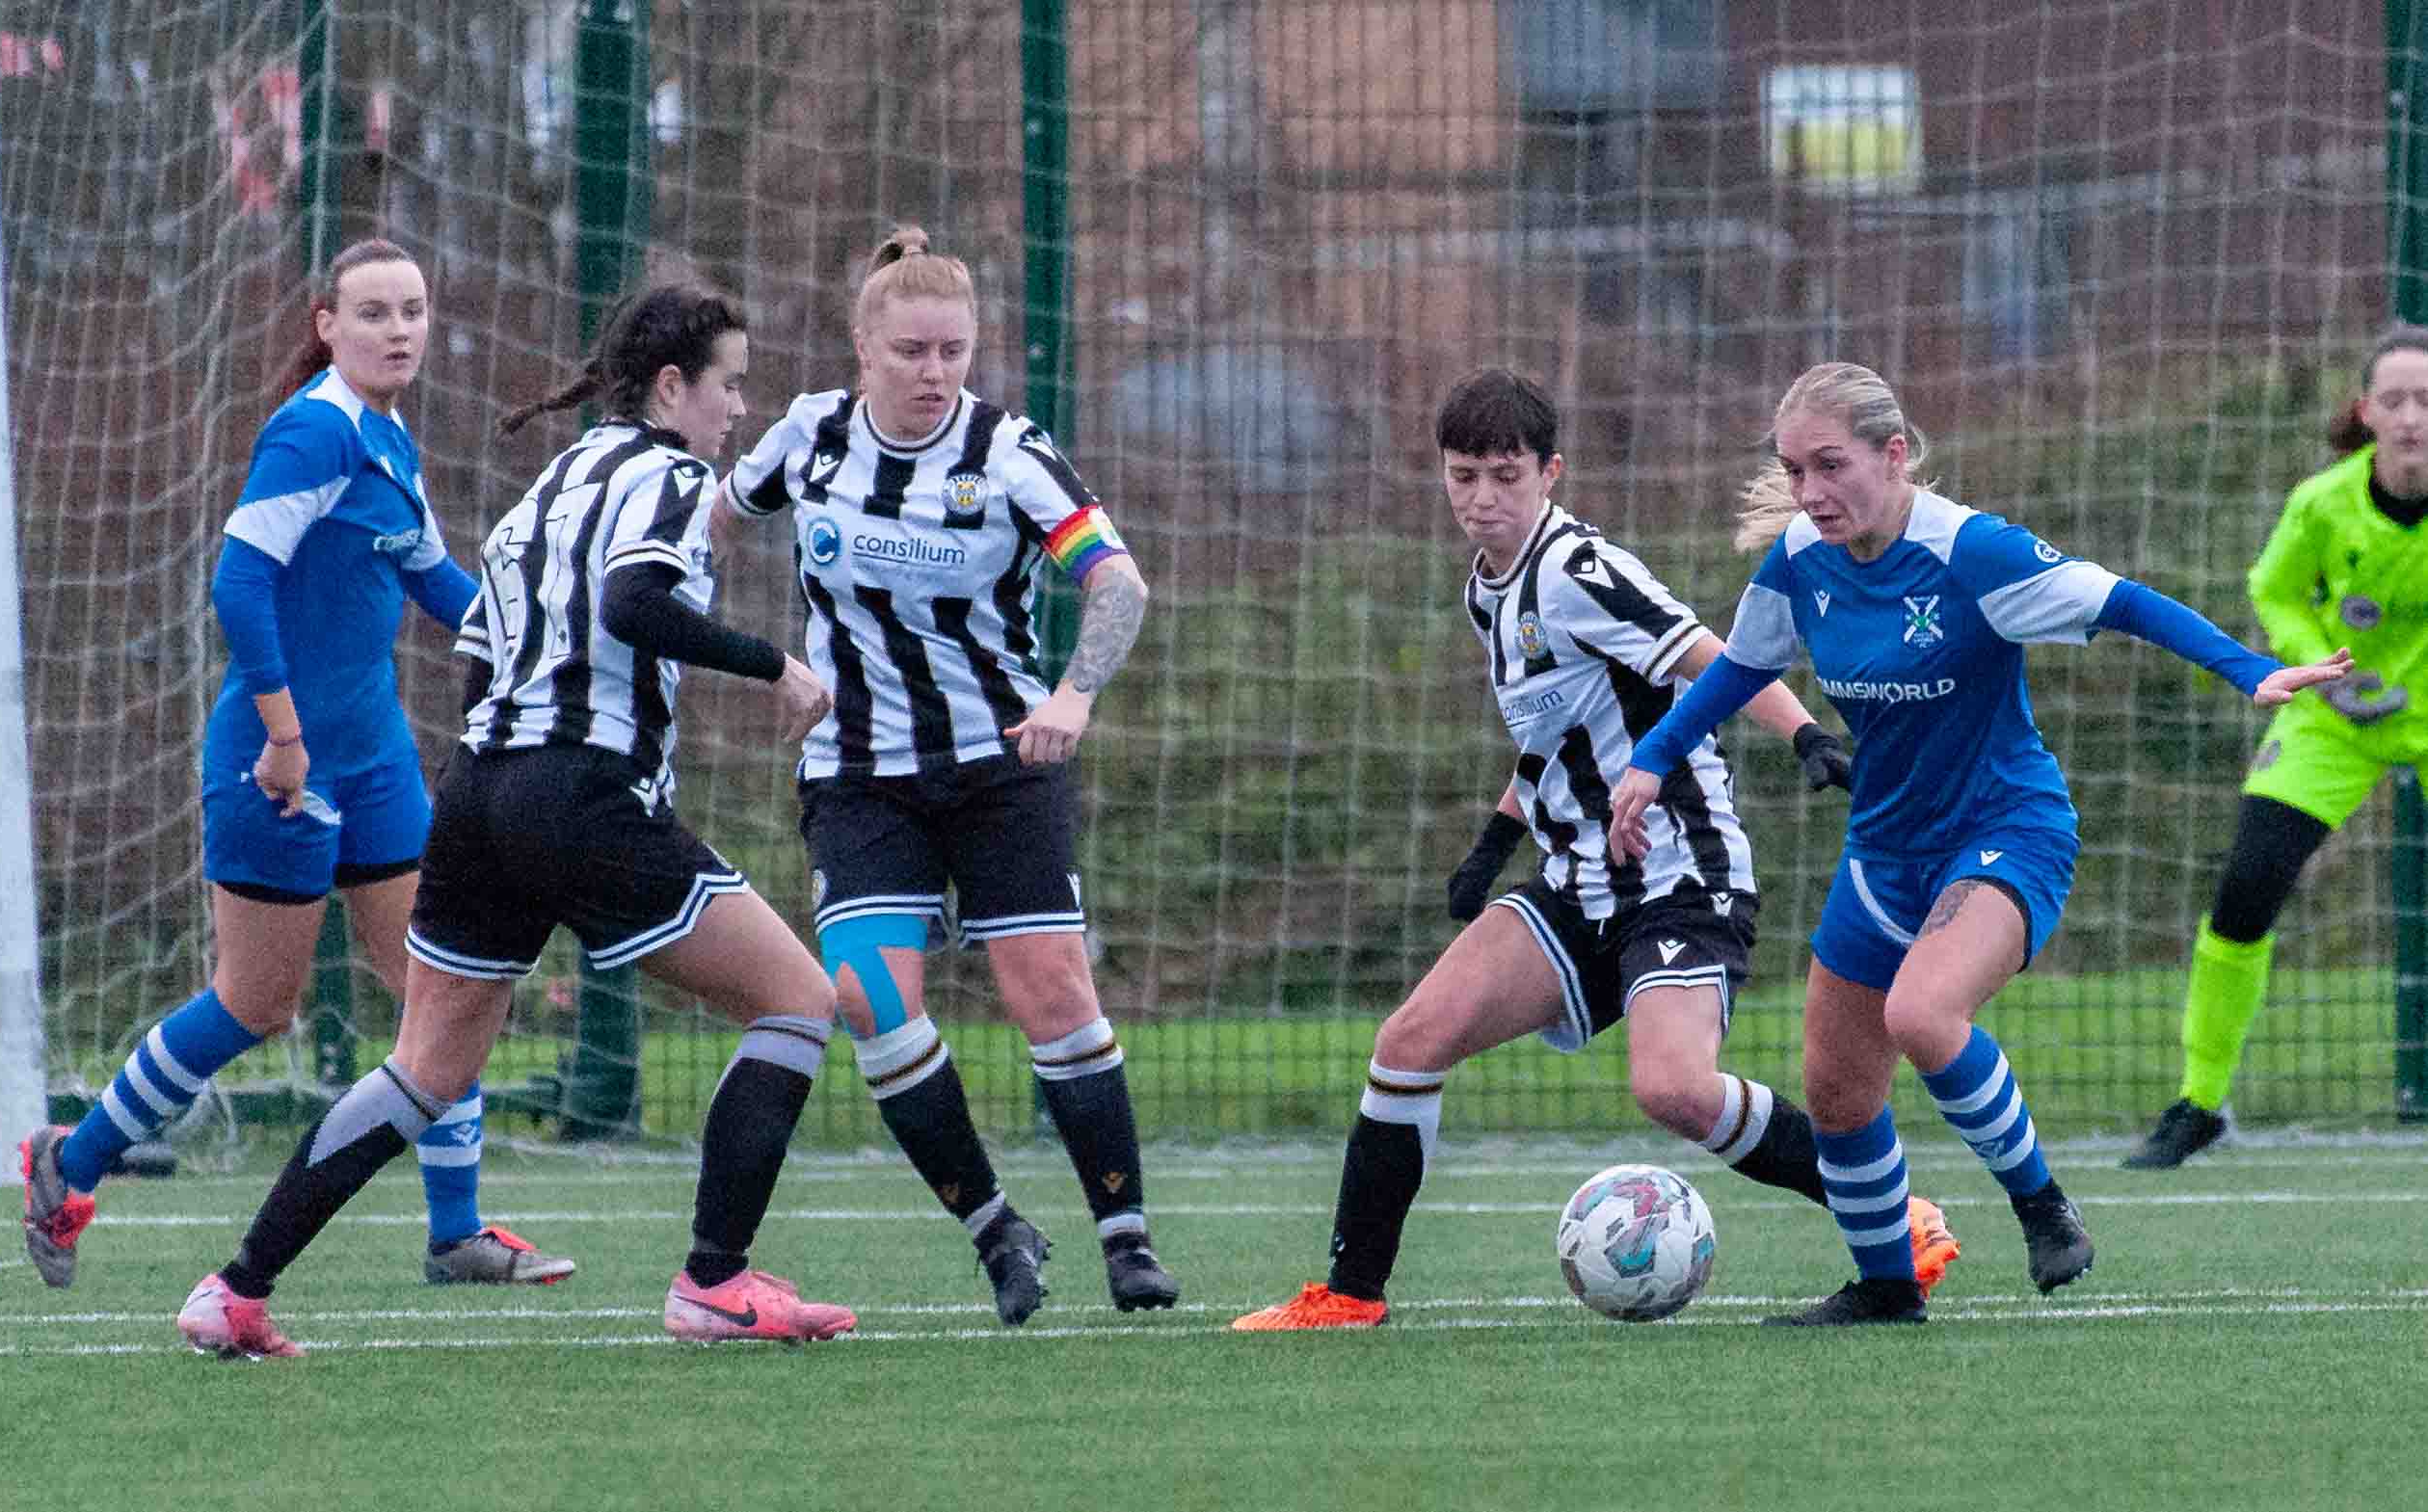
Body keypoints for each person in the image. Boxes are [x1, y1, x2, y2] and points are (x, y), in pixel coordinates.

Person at [173, 280, 857, 1357]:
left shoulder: (561, 474)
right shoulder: (674, 476)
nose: (738, 409)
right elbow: (636, 604)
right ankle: (713, 1283)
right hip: (578, 793)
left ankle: (235, 1290)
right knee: (797, 1001)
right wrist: (776, 666)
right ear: (673, 387)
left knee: (425, 1067)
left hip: (480, 786)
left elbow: (483, 643)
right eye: (729, 385)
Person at [1605, 361, 2353, 1325]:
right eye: (1791, 470)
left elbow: (2120, 600)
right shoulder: (1796, 559)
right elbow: (1740, 668)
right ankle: (1884, 1286)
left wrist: (2247, 670)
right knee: (1834, 1090)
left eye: (1828, 466)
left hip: (2005, 833)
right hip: (1883, 855)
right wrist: (1651, 757)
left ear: (1894, 453)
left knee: (1922, 1012)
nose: (1807, 492)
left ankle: (2040, 1204)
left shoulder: (1970, 552)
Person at [1230, 367, 1961, 1331]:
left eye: (1504, 474)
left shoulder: (1578, 570)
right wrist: (1494, 840)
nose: (1482, 498)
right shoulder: (1487, 590)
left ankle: (1891, 1218)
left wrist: (1804, 737)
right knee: (1407, 1045)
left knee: (1670, 1087)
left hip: (1676, 872)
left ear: (1549, 472)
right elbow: (1557, 732)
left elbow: (1713, 655)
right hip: (1578, 877)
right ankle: (1347, 1295)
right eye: (1462, 476)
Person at [17, 238, 574, 1292]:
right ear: (327, 323)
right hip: (278, 763)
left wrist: (539, 634)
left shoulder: (388, 437)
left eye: (413, 309)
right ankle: (69, 1161)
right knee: (253, 1004)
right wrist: (282, 737)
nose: (399, 329)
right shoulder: (313, 431)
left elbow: (435, 581)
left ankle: (455, 1233)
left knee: (437, 991)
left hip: (375, 765)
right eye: (373, 312)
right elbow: (239, 585)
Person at [716, 225, 1176, 1325]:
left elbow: (1119, 586)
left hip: (998, 767)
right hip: (858, 775)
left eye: (954, 353)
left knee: (1049, 994)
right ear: (862, 348)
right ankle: (995, 1229)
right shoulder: (809, 437)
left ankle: (1126, 1238)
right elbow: (708, 529)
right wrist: (753, 661)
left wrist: (1072, 694)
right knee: (873, 1001)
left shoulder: (1009, 455)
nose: (935, 374)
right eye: (913, 352)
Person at [2125, 327, 2428, 1168]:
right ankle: (2198, 1103)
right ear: (2365, 413)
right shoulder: (2322, 503)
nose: (2412, 419)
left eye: (2427, 401)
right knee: (2246, 888)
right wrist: (2320, 671)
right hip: (2335, 719)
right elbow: (2274, 587)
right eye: (2394, 400)